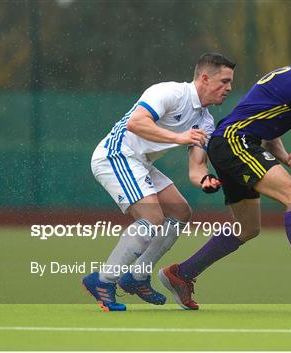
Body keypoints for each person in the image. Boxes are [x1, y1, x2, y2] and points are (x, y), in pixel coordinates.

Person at [158, 40, 291, 309]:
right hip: (235, 141)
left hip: (230, 142)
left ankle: (181, 275)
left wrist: (285, 158)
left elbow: (266, 123)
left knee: (247, 227)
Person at [82, 53, 235, 311]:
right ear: (205, 78)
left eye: (230, 82)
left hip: (139, 162)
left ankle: (137, 276)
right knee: (152, 218)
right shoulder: (170, 92)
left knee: (181, 211)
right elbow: (135, 122)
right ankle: (103, 280)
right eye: (224, 81)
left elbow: (196, 168)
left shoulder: (205, 121)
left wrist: (206, 180)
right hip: (116, 154)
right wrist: (179, 138)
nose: (229, 88)